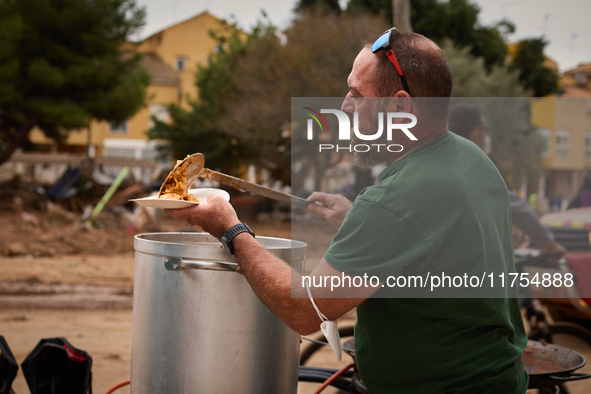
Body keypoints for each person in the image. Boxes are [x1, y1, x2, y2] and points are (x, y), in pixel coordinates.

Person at [166, 28, 528, 393]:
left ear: (400, 106)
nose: (344, 106)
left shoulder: (393, 201)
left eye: (357, 94)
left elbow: (306, 310)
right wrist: (357, 220)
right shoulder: (471, 158)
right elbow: (437, 246)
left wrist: (230, 228)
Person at [448, 103, 567, 260]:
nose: (487, 136)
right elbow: (518, 209)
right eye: (485, 130)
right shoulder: (475, 169)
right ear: (476, 132)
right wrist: (549, 243)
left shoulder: (442, 162)